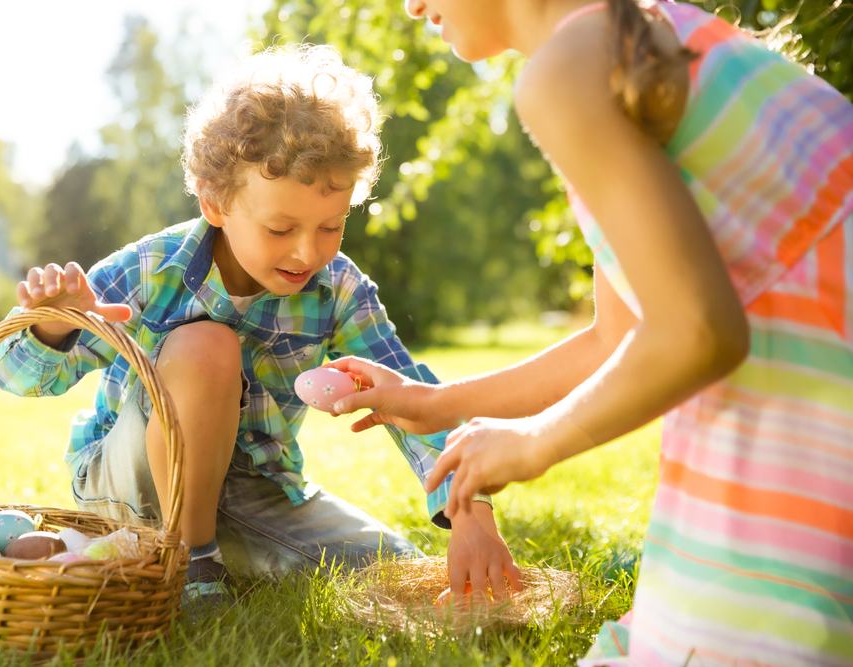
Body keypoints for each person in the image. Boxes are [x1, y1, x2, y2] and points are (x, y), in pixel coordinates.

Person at [328, 0, 853, 664]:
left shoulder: (568, 70)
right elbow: (617, 336)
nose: (410, 5)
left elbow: (697, 331)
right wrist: (438, 402)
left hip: (807, 441)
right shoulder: (635, 33)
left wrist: (534, 444)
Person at [0, 44, 521, 612]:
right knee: (205, 345)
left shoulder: (337, 289)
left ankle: (208, 552)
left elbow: (415, 398)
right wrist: (51, 327)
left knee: (397, 570)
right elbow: (17, 379)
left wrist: (471, 513)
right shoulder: (150, 271)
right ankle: (189, 567)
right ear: (216, 202)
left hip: (249, 491)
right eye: (280, 227)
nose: (306, 251)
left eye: (331, 227)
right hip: (130, 488)